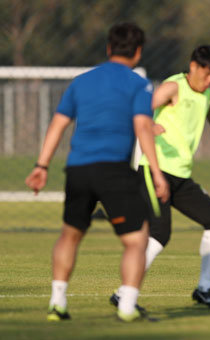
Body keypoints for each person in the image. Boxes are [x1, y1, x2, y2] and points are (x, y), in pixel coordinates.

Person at [25, 22, 169, 322]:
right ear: (138, 52)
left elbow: (58, 124)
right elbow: (143, 127)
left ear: (108, 48)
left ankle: (57, 302)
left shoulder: (81, 81)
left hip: (77, 169)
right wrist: (157, 173)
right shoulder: (138, 84)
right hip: (114, 170)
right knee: (136, 240)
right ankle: (127, 307)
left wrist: (42, 165)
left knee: (70, 235)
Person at [110, 45, 210, 311]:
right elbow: (137, 109)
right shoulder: (173, 87)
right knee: (160, 234)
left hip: (181, 177)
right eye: (207, 74)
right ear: (194, 67)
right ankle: (123, 294)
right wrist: (148, 125)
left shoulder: (206, 95)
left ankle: (203, 290)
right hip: (155, 172)